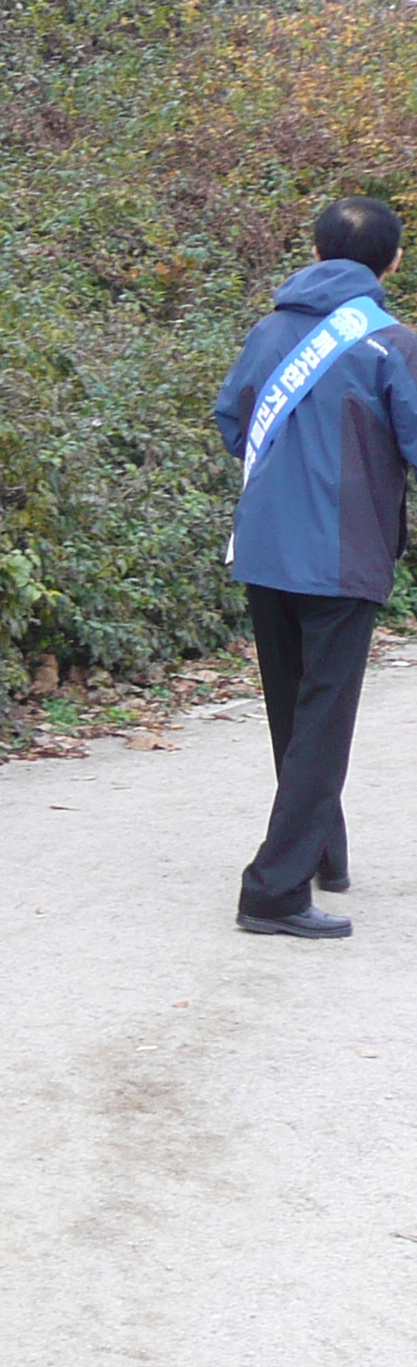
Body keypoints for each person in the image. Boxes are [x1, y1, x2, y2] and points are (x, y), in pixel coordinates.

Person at [215, 195, 417, 939]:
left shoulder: (269, 330)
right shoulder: (390, 344)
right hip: (341, 556)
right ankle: (273, 892)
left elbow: (234, 422)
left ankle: (322, 852)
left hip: (265, 548)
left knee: (291, 711)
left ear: (317, 250)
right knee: (323, 723)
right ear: (391, 260)